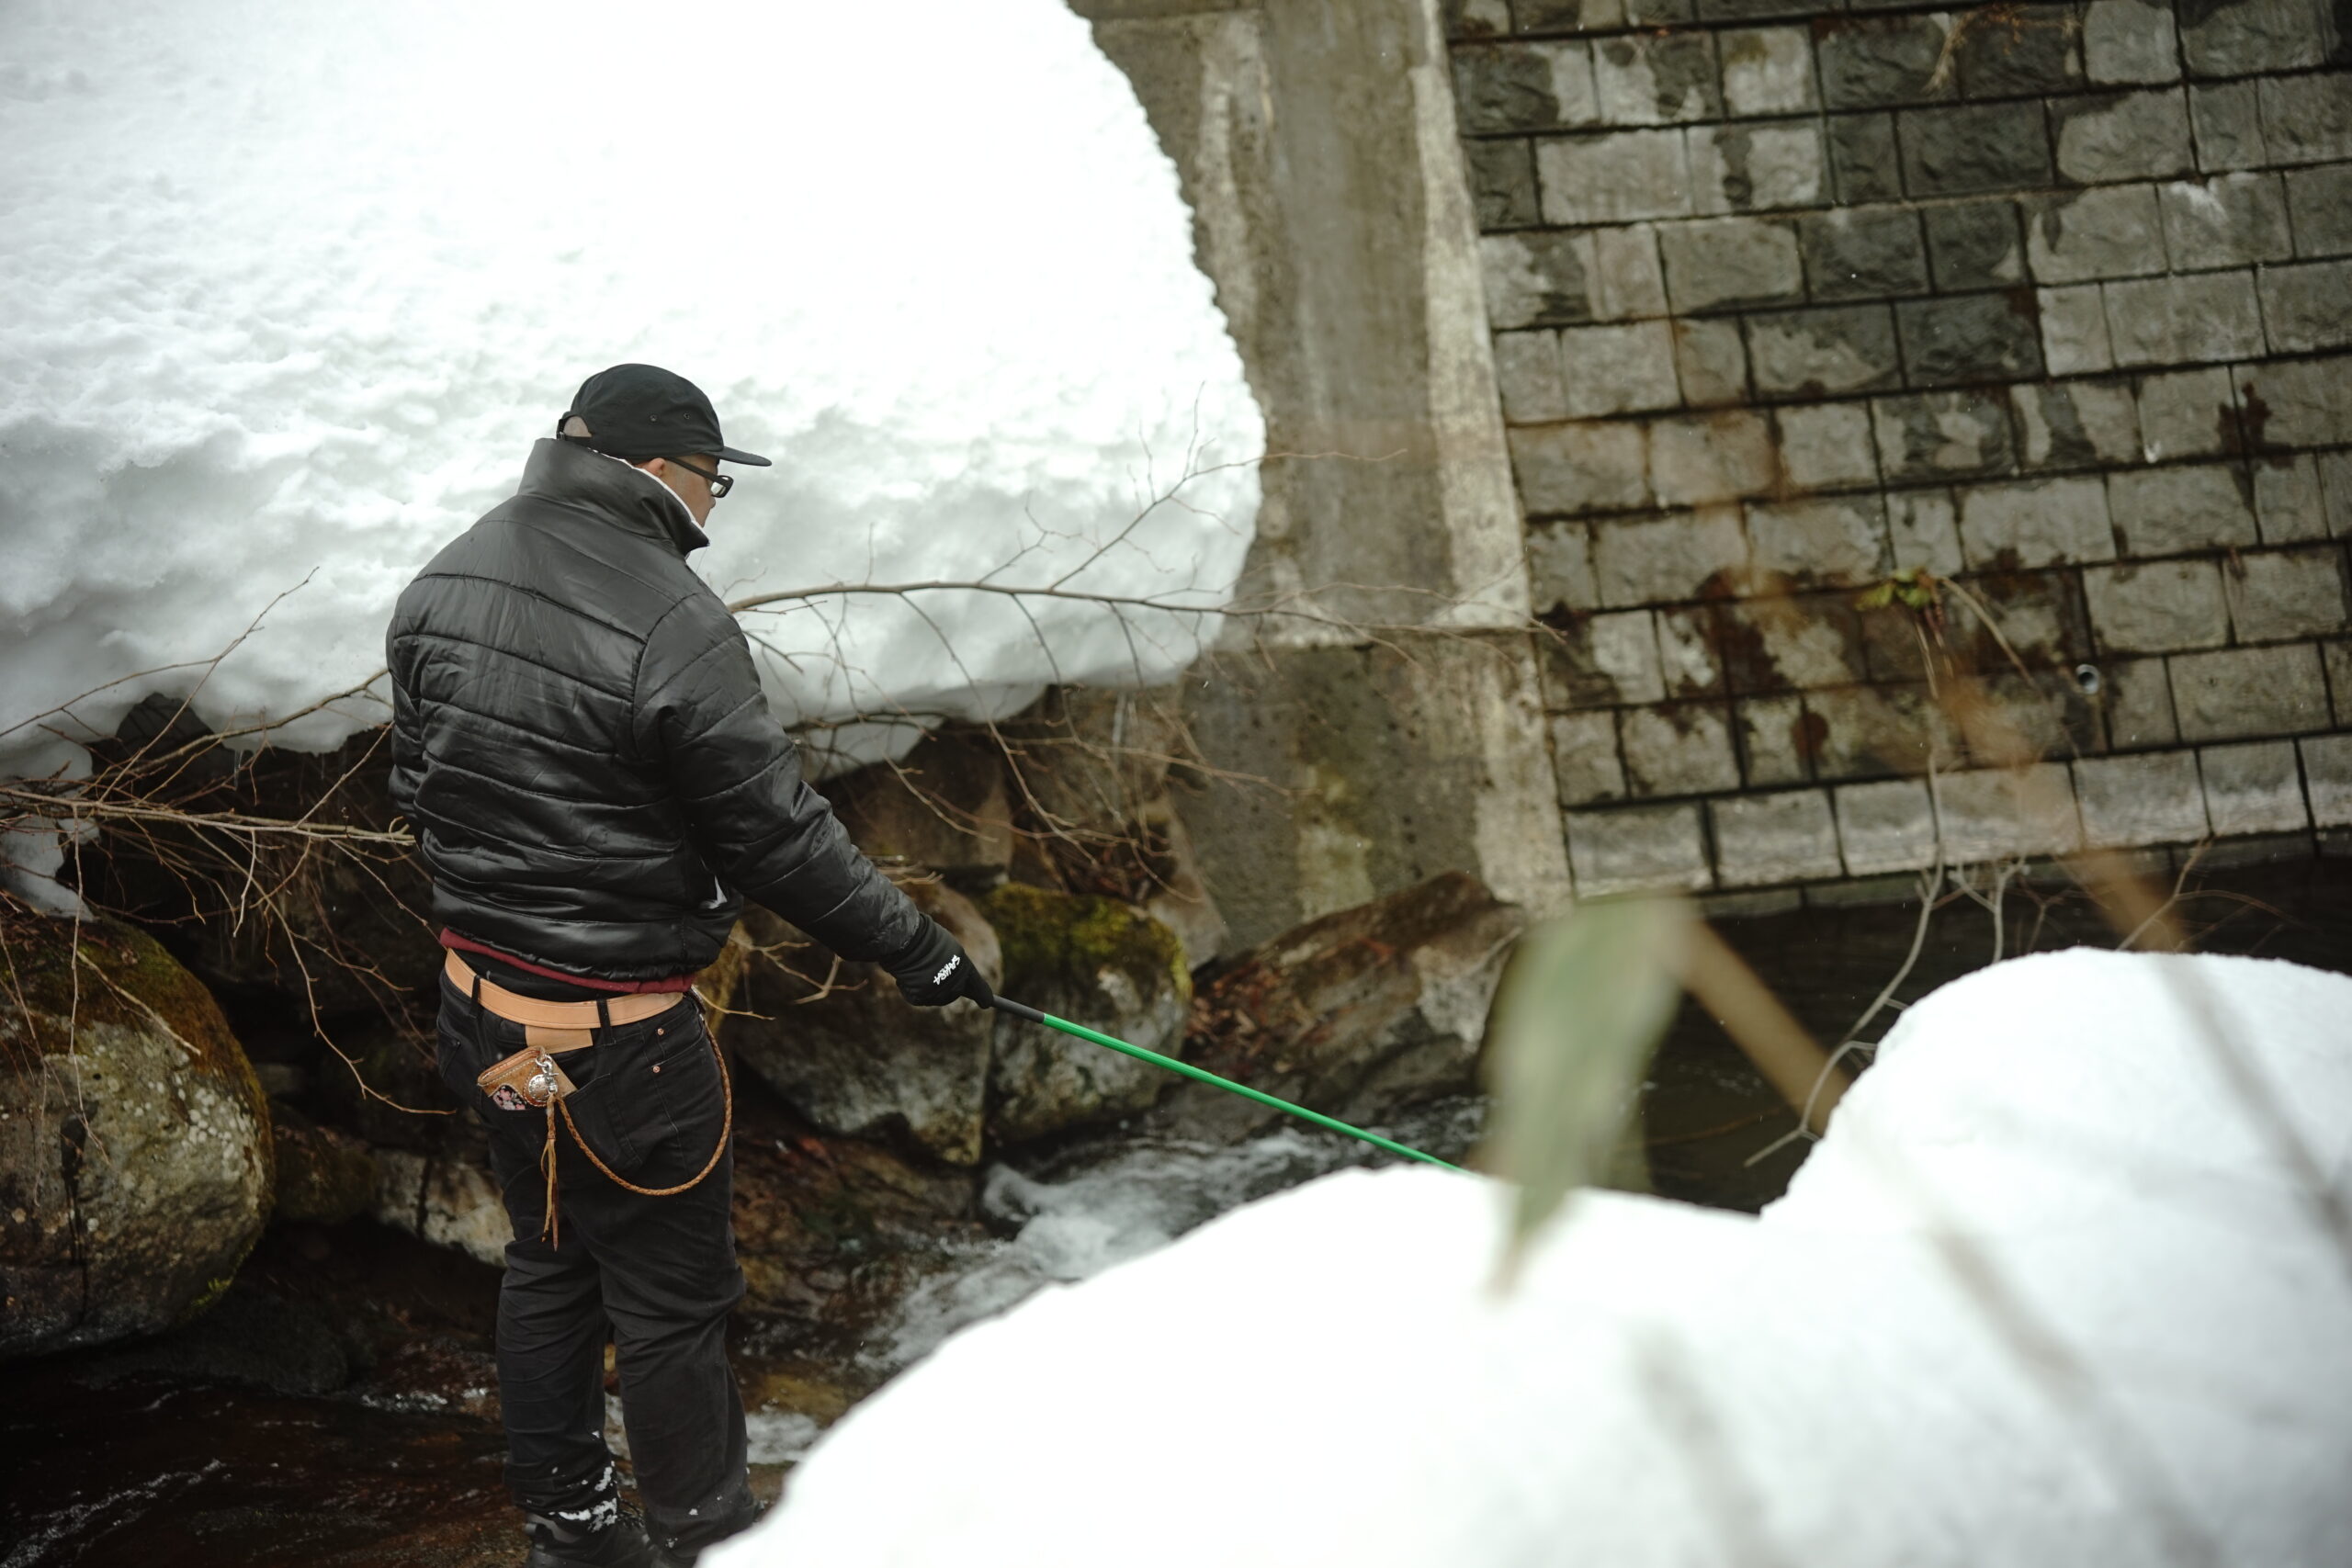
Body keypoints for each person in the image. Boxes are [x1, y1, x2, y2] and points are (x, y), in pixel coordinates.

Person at [386, 364, 992, 1567]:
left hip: (487, 1021)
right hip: (622, 1046)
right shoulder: (671, 618)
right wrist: (920, 953)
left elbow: (419, 792)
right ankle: (707, 1541)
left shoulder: (443, 576)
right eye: (716, 479)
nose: (716, 505)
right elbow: (774, 833)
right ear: (659, 470)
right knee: (671, 1301)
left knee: (551, 1257)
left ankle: (573, 1530)